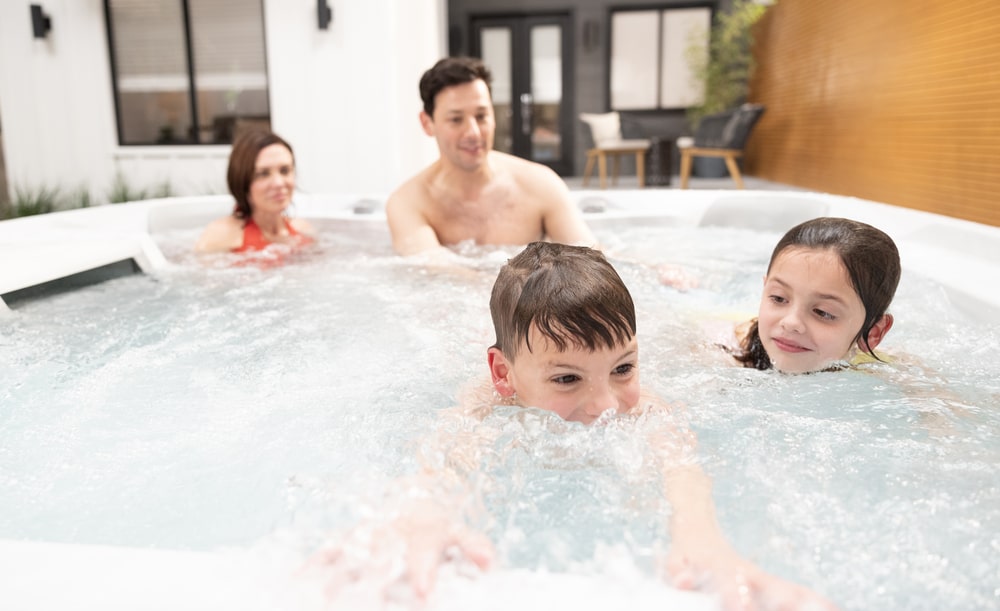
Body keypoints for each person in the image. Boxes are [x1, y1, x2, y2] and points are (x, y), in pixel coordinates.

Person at [317, 242, 838, 611]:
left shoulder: (645, 407)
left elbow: (679, 464)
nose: (606, 405)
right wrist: (425, 508)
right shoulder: (488, 401)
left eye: (624, 367)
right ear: (504, 375)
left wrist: (703, 540)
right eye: (567, 378)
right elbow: (452, 449)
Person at [385, 57, 596, 256]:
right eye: (456, 119)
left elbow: (592, 263)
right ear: (427, 123)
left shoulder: (541, 185)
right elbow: (437, 276)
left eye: (481, 116)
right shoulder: (408, 203)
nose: (474, 133)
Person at [731, 217, 900, 373]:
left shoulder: (880, 374)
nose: (791, 323)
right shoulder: (730, 352)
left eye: (823, 312)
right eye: (778, 298)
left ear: (873, 333)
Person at [195, 130, 315, 253]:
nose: (279, 183)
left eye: (285, 170)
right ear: (242, 180)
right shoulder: (221, 235)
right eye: (263, 174)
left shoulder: (303, 229)